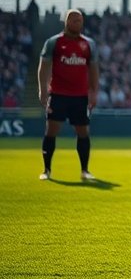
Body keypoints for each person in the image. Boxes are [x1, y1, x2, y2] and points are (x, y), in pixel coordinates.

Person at [37, 9, 99, 181]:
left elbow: (93, 70)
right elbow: (43, 67)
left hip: (80, 97)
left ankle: (85, 170)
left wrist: (94, 92)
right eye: (74, 20)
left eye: (80, 20)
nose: (77, 23)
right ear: (66, 21)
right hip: (58, 94)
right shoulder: (54, 42)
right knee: (51, 130)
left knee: (83, 131)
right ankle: (47, 170)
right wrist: (42, 89)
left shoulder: (89, 44)